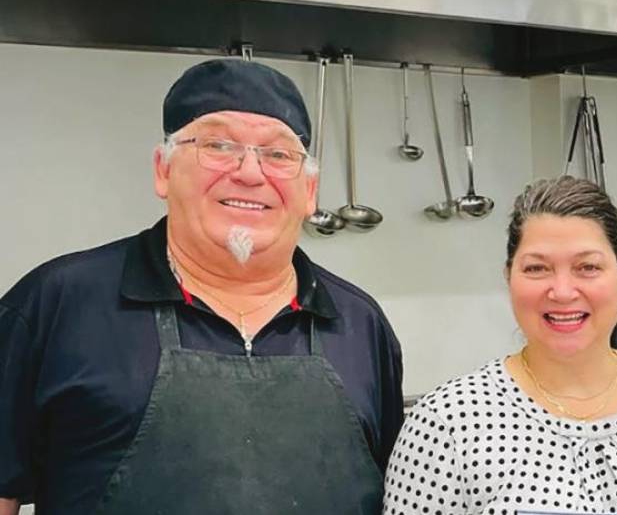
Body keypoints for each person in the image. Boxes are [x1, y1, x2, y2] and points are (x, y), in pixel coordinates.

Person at [0, 59, 403, 514]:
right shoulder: (55, 306)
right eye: (218, 144)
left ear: (309, 191)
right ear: (163, 170)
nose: (250, 173)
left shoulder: (360, 325)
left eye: (278, 154)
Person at [383, 176, 617, 514]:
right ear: (508, 276)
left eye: (588, 267)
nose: (562, 291)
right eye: (536, 268)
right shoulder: (445, 424)